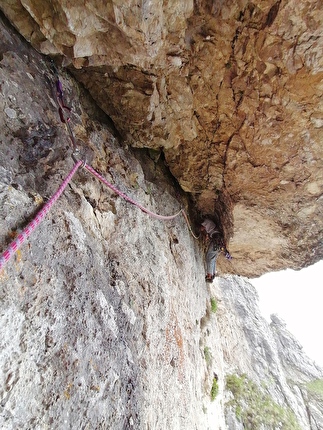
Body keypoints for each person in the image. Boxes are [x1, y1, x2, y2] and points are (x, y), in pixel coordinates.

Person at [200, 218, 231, 282]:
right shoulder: (210, 223)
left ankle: (210, 275)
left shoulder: (206, 221)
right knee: (213, 258)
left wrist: (201, 232)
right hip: (219, 241)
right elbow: (208, 231)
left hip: (216, 241)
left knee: (209, 257)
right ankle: (213, 273)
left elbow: (201, 228)